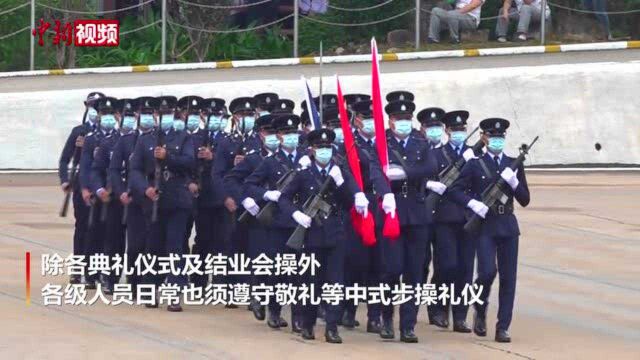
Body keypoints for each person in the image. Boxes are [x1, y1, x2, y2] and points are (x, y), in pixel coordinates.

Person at [449, 117, 530, 343]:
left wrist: (514, 183)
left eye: (500, 137)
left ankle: (503, 326)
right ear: (483, 137)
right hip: (485, 226)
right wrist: (473, 204)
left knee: (508, 279)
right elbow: (454, 190)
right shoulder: (475, 163)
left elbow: (525, 199)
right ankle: (480, 305)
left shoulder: (514, 163)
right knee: (486, 272)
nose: (497, 140)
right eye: (492, 136)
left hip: (508, 225)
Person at [278, 128, 360, 344]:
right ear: (312, 150)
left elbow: (351, 201)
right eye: (320, 147)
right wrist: (296, 214)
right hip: (311, 233)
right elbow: (284, 199)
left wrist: (341, 182)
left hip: (335, 233)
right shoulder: (304, 174)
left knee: (335, 283)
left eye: (327, 147)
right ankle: (308, 323)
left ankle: (332, 327)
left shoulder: (340, 172)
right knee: (311, 282)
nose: (324, 151)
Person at [130, 95, 196, 312]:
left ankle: (174, 292)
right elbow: (136, 169)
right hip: (155, 198)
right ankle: (152, 289)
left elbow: (190, 162)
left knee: (175, 247)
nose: (166, 117)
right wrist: (145, 189)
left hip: (177, 197)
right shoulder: (146, 139)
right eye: (162, 113)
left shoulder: (184, 137)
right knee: (153, 246)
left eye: (170, 113)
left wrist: (168, 157)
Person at [379, 100, 438, 343]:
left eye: (407, 117)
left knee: (415, 273)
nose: (403, 122)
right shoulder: (381, 143)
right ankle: (385, 317)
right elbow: (376, 171)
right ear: (390, 120)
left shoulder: (420, 142)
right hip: (392, 212)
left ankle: (408, 325)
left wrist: (405, 173)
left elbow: (430, 166)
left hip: (416, 212)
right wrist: (386, 192)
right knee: (392, 269)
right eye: (398, 117)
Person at [244, 114, 306, 332]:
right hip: (279, 222)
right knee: (278, 271)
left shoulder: (307, 159)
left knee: (301, 273)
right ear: (279, 136)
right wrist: (266, 194)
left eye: (294, 133)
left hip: (303, 220)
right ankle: (275, 311)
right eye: (286, 134)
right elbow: (249, 184)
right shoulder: (270, 162)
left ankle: (299, 316)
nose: (291, 137)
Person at [341, 100, 394, 334]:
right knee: (357, 262)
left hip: (381, 206)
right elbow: (344, 172)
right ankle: (349, 309)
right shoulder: (349, 145)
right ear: (357, 119)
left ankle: (375, 315)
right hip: (359, 208)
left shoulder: (385, 143)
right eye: (366, 117)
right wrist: (356, 195)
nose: (370, 122)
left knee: (380, 263)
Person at [425, 110, 478, 333]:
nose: (459, 133)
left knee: (465, 269)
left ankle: (460, 316)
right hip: (444, 218)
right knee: (446, 265)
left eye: (462, 129)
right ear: (446, 131)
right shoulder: (437, 155)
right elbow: (426, 181)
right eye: (455, 129)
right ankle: (437, 308)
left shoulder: (473, 155)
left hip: (468, 217)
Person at [109, 96, 157, 294]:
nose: (146, 117)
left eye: (150, 113)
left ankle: (150, 283)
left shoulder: (160, 140)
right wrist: (120, 192)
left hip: (156, 199)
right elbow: (114, 169)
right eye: (143, 113)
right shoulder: (126, 140)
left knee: (152, 244)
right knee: (136, 244)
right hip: (135, 199)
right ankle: (134, 282)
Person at [58, 91, 104, 285]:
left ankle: (95, 271)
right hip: (81, 184)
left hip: (101, 184)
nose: (95, 111)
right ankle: (78, 270)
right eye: (92, 107)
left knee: (100, 228)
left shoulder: (107, 132)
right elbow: (65, 159)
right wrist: (64, 179)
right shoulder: (79, 131)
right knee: (82, 227)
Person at [90, 98, 131, 294]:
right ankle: (111, 278)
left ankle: (136, 280)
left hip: (137, 199)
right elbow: (96, 170)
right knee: (113, 241)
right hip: (114, 198)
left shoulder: (142, 140)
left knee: (139, 242)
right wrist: (99, 190)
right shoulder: (108, 142)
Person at [79, 96, 119, 290]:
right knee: (93, 234)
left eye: (111, 113)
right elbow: (86, 166)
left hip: (114, 193)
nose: (108, 117)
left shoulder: (121, 137)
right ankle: (90, 274)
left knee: (112, 237)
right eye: (104, 113)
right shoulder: (91, 138)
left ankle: (109, 275)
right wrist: (88, 189)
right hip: (97, 191)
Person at [188, 98, 227, 289]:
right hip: (202, 197)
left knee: (222, 241)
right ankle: (198, 281)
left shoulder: (227, 139)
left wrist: (214, 156)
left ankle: (220, 282)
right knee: (202, 239)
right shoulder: (195, 139)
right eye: (210, 115)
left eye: (219, 115)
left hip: (221, 197)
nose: (215, 119)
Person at [416, 106, 446, 327]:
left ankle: (437, 308)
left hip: (445, 217)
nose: (434, 129)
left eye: (437, 126)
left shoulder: (450, 152)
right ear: (422, 128)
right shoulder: (418, 150)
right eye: (429, 126)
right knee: (420, 265)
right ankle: (413, 307)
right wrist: (427, 184)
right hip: (422, 215)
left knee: (444, 265)